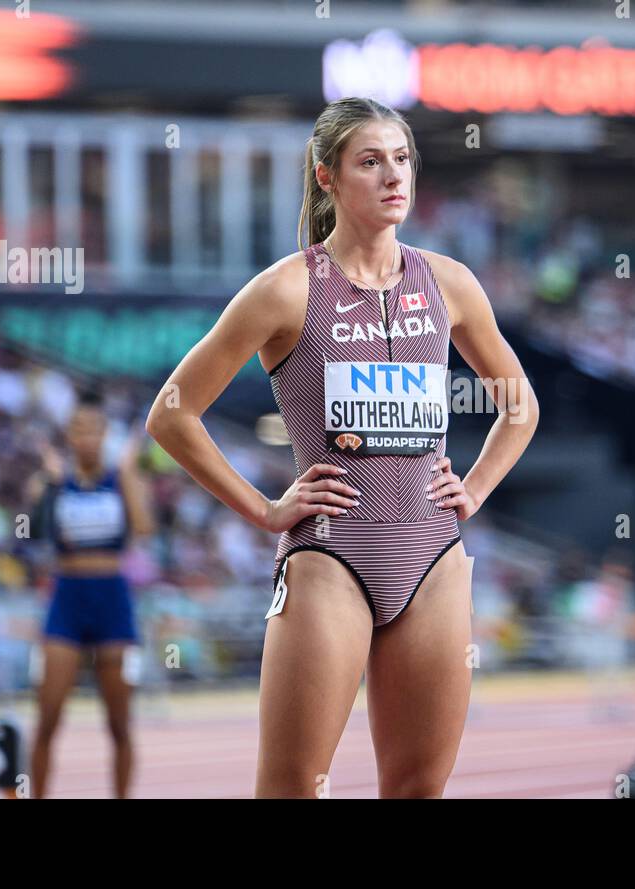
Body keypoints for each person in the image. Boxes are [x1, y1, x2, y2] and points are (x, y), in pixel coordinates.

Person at [146, 96, 539, 798]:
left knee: (418, 787)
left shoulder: (449, 283)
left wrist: (474, 489)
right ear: (327, 177)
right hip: (331, 557)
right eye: (370, 161)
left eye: (402, 159)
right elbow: (172, 414)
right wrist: (265, 507)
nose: (394, 176)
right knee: (293, 787)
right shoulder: (286, 289)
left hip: (434, 558)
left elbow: (520, 404)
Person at [27, 390, 154, 798]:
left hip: (113, 599)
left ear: (105, 436)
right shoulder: (53, 480)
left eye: (94, 431)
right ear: (68, 436)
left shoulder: (120, 478)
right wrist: (47, 484)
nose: (86, 438)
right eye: (78, 431)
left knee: (119, 723)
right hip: (66, 597)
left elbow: (144, 529)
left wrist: (130, 473)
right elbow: (34, 532)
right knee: (48, 717)